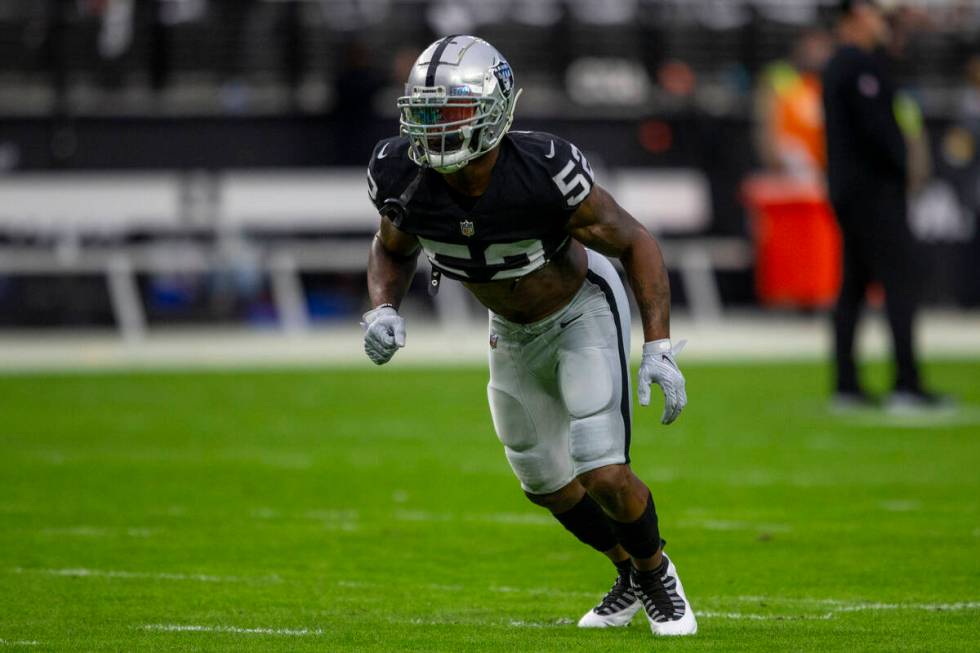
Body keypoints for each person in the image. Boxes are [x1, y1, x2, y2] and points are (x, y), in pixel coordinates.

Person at [361, 35, 696, 637]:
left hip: (579, 311)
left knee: (604, 473)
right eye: (426, 111)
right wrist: (383, 308)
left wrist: (659, 346)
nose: (434, 127)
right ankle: (626, 569)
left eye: (451, 112)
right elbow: (392, 249)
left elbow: (634, 241)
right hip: (509, 331)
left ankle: (656, 573)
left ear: (494, 111)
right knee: (543, 481)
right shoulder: (400, 174)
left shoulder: (541, 170)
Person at [822, 0, 943, 409]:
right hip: (872, 193)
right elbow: (878, 132)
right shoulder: (856, 65)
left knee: (854, 286)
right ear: (856, 14)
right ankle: (906, 382)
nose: (883, 24)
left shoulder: (848, 64)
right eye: (876, 14)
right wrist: (901, 166)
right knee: (898, 283)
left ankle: (846, 383)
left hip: (855, 193)